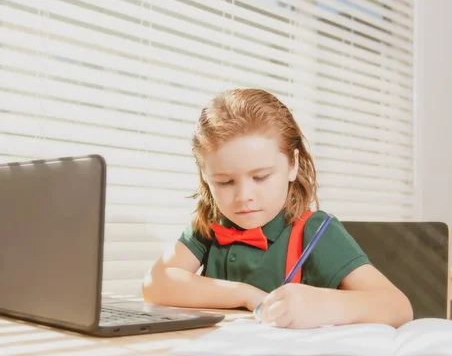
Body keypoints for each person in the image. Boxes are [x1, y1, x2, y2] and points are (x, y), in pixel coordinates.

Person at [142, 88, 413, 329]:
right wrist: (245, 294)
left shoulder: (316, 230)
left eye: (260, 177)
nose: (243, 197)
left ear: (292, 164)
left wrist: (324, 304)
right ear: (205, 175)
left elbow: (398, 307)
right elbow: (155, 283)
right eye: (225, 181)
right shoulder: (212, 222)